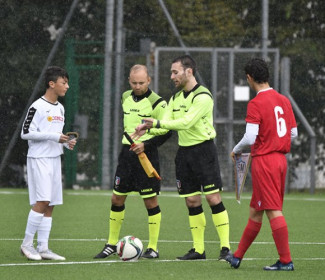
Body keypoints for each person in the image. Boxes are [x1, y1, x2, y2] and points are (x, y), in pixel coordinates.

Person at [133, 55, 232, 261]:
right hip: (184, 154)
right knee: (192, 201)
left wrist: (157, 124)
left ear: (189, 72)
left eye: (175, 72)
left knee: (213, 198)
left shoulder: (203, 97)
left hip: (204, 152)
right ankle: (199, 250)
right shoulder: (175, 98)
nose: (172, 76)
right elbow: (166, 122)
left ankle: (225, 248)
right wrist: (146, 128)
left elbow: (185, 122)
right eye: (171, 72)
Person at [94, 64, 171, 259]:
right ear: (129, 81)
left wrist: (146, 145)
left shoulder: (158, 103)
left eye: (141, 83)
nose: (137, 86)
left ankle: (153, 248)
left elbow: (167, 131)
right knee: (116, 198)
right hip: (126, 155)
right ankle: (111, 244)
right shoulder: (125, 96)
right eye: (134, 82)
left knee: (150, 200)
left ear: (149, 81)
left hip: (146, 155)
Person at [229, 58, 297, 271]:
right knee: (256, 211)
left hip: (264, 161)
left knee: (273, 210)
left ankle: (286, 261)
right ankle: (237, 256)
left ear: (249, 78)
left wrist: (236, 149)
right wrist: (276, 142)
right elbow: (293, 133)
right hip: (280, 160)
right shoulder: (283, 100)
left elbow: (250, 137)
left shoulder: (256, 103)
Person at [20, 66, 77, 261]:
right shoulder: (37, 106)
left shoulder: (60, 107)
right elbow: (25, 133)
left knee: (51, 204)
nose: (67, 86)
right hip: (39, 159)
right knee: (42, 201)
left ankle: (43, 247)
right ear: (51, 84)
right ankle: (26, 245)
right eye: (64, 83)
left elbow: (56, 136)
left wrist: (67, 143)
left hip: (54, 159)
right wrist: (54, 136)